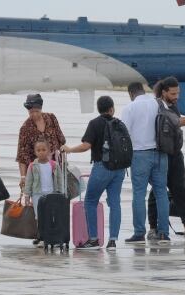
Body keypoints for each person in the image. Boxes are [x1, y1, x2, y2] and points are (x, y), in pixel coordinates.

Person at [146, 77, 185, 240]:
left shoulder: (174, 106)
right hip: (162, 154)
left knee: (179, 189)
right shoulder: (157, 105)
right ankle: (152, 228)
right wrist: (178, 122)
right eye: (173, 93)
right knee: (157, 191)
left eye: (178, 93)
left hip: (176, 154)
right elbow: (166, 118)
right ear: (164, 92)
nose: (176, 96)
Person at [63, 95, 125, 251]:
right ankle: (112, 241)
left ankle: (93, 239)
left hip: (102, 168)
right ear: (112, 109)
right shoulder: (120, 123)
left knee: (90, 201)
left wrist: (69, 150)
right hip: (120, 169)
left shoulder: (95, 123)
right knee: (115, 203)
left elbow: (86, 146)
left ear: (98, 109)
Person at [121, 82, 170, 244]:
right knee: (161, 193)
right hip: (161, 154)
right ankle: (163, 233)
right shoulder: (159, 103)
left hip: (140, 155)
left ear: (131, 93)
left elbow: (123, 133)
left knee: (139, 194)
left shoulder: (130, 108)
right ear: (143, 91)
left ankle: (139, 232)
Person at [16, 94, 66, 192]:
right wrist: (23, 177)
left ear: (41, 108)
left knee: (58, 196)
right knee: (39, 198)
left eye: (36, 111)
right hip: (37, 171)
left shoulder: (51, 118)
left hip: (55, 168)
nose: (34, 114)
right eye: (31, 112)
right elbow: (22, 155)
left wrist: (63, 161)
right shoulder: (25, 128)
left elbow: (62, 140)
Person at [24, 139, 64, 219]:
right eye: (38, 150)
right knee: (39, 216)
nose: (41, 152)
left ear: (49, 151)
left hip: (51, 194)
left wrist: (61, 193)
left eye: (43, 150)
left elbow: (60, 179)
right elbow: (28, 181)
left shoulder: (54, 165)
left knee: (51, 215)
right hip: (37, 194)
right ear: (35, 152)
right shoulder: (32, 166)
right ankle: (40, 231)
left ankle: (49, 231)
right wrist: (27, 195)